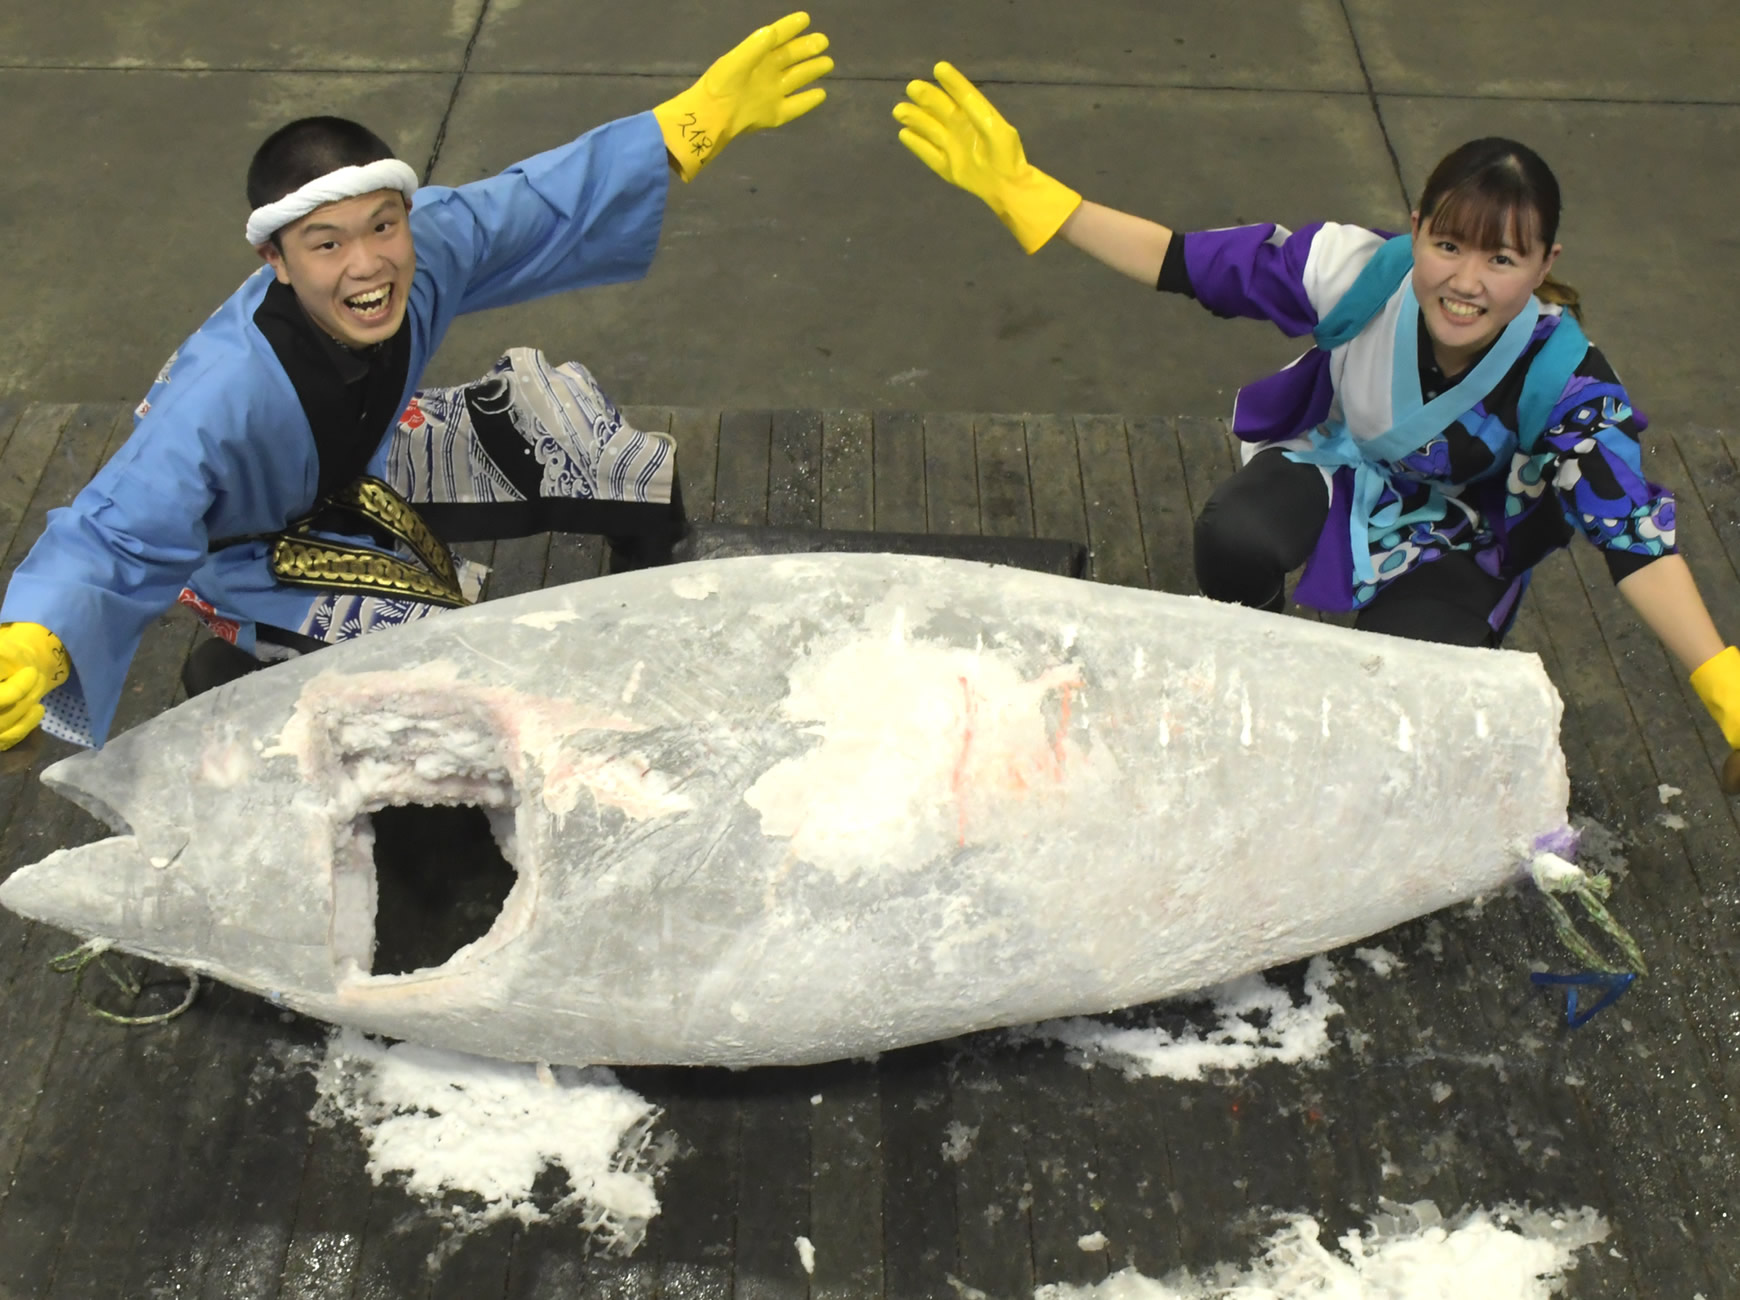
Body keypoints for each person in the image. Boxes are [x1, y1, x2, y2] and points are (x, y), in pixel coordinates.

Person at [0, 12, 833, 752]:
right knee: (463, 688)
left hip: (370, 452)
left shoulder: (422, 247)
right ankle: (238, 674)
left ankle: (658, 593)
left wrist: (690, 125)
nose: (367, 265)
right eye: (326, 244)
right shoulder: (219, 399)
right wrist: (39, 635)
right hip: (259, 546)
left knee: (615, 461)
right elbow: (116, 533)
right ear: (275, 261)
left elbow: (533, 203)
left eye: (382, 228)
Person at [891, 63, 1740, 783]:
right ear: (1416, 229)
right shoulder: (1355, 273)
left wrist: (1719, 676)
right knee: (1235, 534)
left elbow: (1636, 540)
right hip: (1345, 466)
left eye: (1503, 259)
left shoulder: (1569, 383)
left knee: (1403, 682)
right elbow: (1183, 262)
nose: (1466, 282)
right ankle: (1252, 663)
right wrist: (1038, 197)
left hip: (1461, 531)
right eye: (1449, 246)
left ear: (1546, 264)